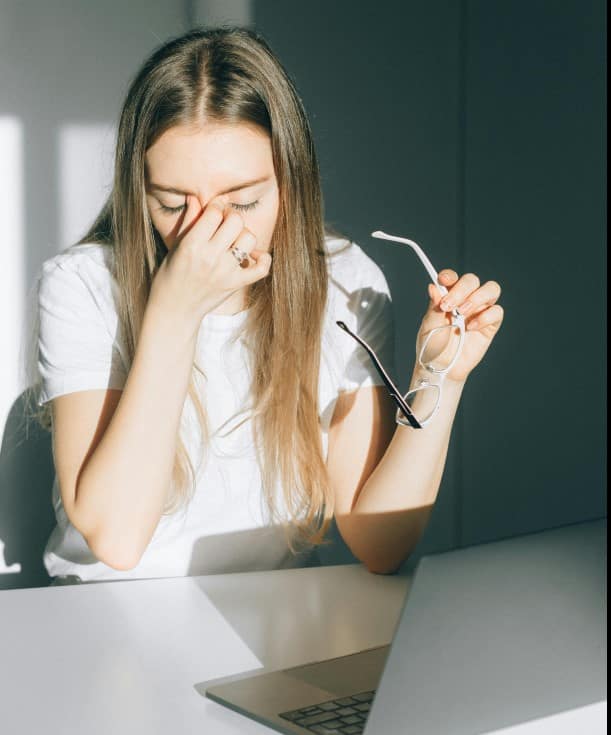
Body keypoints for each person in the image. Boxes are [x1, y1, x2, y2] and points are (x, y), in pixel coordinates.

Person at [25, 26, 503, 585]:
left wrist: (439, 376)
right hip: (102, 612)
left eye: (245, 201)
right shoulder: (83, 285)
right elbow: (118, 538)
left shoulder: (345, 282)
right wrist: (175, 312)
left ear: (289, 186)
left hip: (275, 615)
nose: (213, 231)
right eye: (174, 204)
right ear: (140, 193)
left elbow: (380, 544)